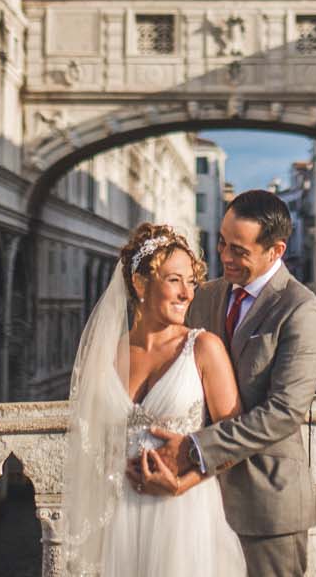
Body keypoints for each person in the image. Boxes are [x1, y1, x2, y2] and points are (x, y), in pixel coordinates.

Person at [131, 189, 316, 577]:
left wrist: (192, 449)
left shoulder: (302, 310)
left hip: (266, 507)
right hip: (194, 505)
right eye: (222, 242)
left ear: (275, 251)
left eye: (239, 250)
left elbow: (283, 413)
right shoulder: (205, 296)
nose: (224, 257)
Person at [61, 221, 247, 576]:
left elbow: (234, 440)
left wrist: (180, 483)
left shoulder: (204, 348)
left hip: (184, 514)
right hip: (118, 520)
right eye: (174, 280)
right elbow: (89, 441)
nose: (187, 294)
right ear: (140, 283)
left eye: (191, 282)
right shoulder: (104, 354)